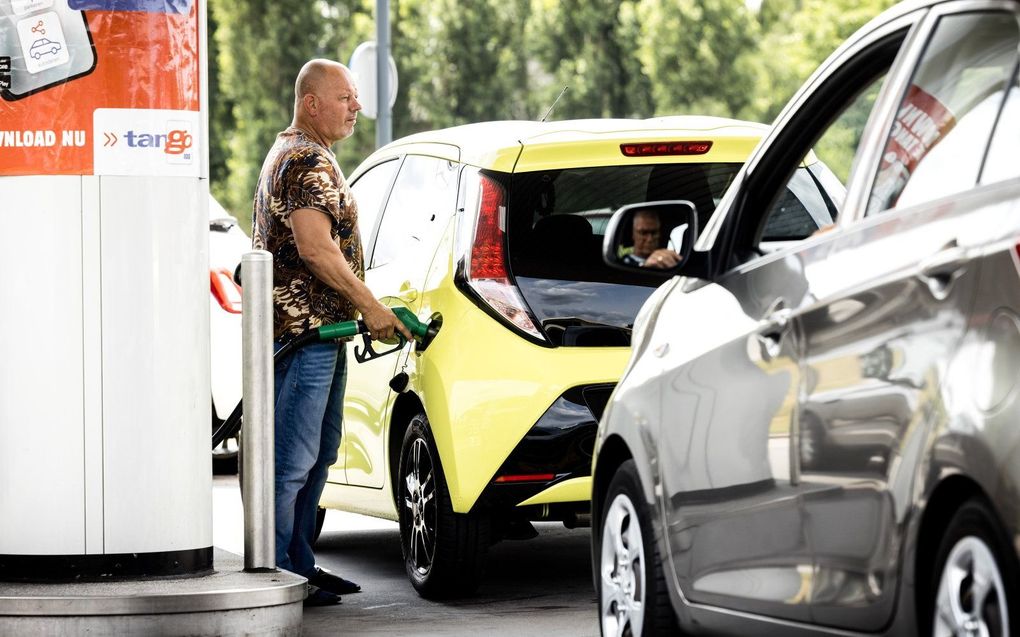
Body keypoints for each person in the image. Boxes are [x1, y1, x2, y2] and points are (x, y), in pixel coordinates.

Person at [251, 58, 411, 607]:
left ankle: (297, 566)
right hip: (306, 336)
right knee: (293, 461)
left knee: (316, 455)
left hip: (321, 334)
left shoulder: (303, 155)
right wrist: (372, 306)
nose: (357, 108)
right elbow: (316, 249)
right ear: (311, 102)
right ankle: (275, 576)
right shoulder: (303, 161)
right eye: (346, 98)